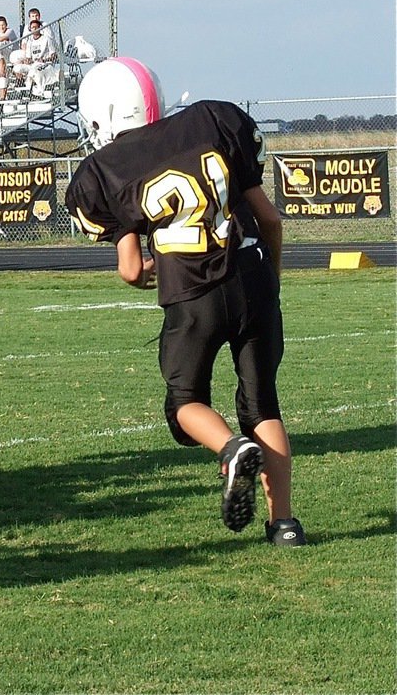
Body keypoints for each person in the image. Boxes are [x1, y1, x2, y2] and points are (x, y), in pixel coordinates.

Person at [64, 57, 304, 546]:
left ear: (102, 115)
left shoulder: (107, 168)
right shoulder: (214, 119)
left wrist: (149, 269)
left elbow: (131, 268)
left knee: (185, 403)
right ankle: (285, 526)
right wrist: (270, 282)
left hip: (191, 293)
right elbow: (271, 220)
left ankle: (230, 449)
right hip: (253, 275)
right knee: (263, 406)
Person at [13, 20, 59, 97]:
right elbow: (28, 57)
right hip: (33, 64)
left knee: (35, 72)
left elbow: (54, 55)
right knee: (17, 68)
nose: (34, 29)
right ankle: (22, 91)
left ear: (40, 28)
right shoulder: (30, 41)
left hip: (44, 64)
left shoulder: (47, 39)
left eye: (36, 27)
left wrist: (44, 60)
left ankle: (37, 92)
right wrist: (28, 60)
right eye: (32, 28)